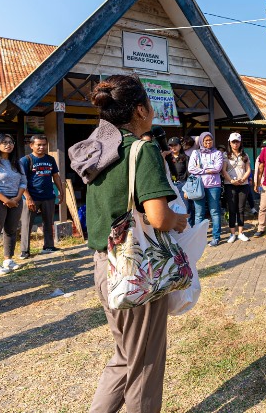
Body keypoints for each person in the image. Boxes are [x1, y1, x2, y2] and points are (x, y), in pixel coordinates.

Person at [70, 74, 186, 412]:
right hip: (135, 266)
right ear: (140, 109)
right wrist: (178, 220)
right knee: (144, 365)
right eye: (149, 104)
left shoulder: (97, 149)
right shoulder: (141, 148)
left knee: (126, 356)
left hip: (104, 265)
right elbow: (159, 218)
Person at [0, 134, 26, 275]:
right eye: (4, 142)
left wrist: (17, 198)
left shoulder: (17, 163)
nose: (8, 145)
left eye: (11, 142)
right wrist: (6, 200)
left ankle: (8, 260)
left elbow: (23, 181)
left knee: (11, 230)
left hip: (16, 200)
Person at [19, 135, 64, 259]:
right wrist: (28, 198)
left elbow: (55, 176)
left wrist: (61, 192)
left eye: (44, 144)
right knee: (27, 224)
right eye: (38, 144)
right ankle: (25, 250)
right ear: (31, 145)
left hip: (48, 196)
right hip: (32, 197)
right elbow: (21, 181)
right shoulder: (25, 160)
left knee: (48, 222)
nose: (41, 147)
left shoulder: (50, 159)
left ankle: (48, 246)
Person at [188, 132, 224, 247]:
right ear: (201, 142)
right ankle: (199, 238)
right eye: (206, 140)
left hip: (214, 186)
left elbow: (218, 168)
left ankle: (216, 237)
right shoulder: (195, 153)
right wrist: (207, 170)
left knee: (215, 212)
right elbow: (191, 168)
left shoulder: (218, 153)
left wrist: (201, 168)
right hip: (199, 186)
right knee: (199, 213)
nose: (208, 142)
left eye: (210, 140)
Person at [222, 133, 251, 243]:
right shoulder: (226, 155)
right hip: (230, 185)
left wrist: (243, 179)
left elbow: (248, 169)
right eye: (233, 141)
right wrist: (231, 181)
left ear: (240, 142)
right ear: (230, 142)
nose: (235, 144)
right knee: (232, 209)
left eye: (237, 141)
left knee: (241, 209)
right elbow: (223, 170)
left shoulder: (245, 155)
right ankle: (232, 233)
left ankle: (241, 233)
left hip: (243, 185)